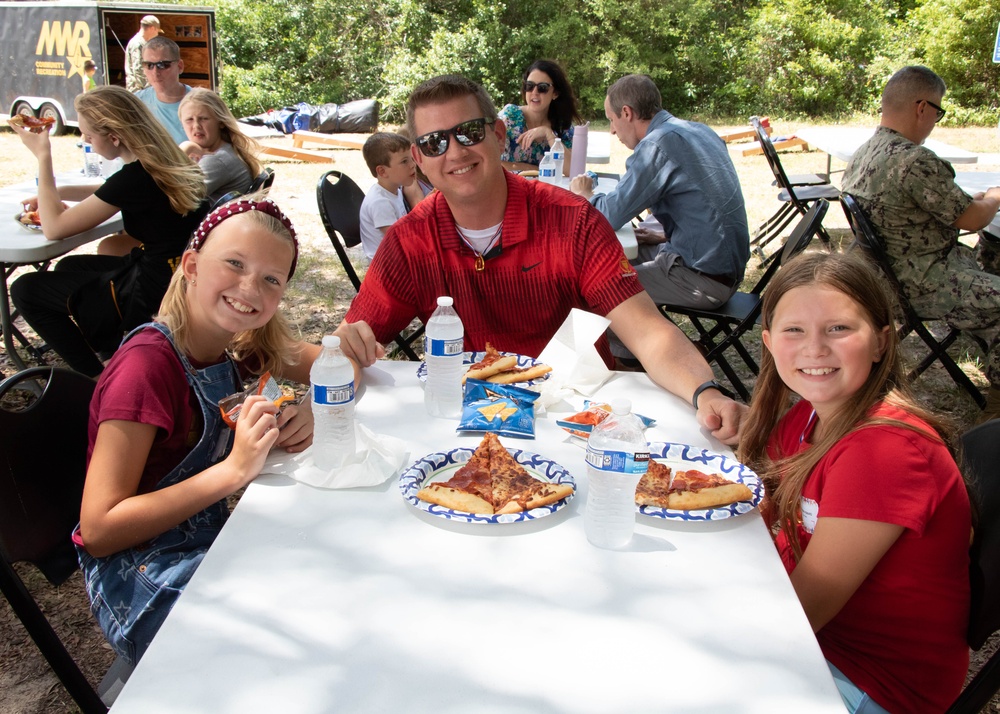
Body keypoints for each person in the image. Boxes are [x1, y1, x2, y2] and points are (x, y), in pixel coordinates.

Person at [335, 74, 744, 444]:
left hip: (572, 427)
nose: (455, 152)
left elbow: (648, 333)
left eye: (469, 132)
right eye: (434, 142)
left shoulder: (573, 221)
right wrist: (324, 394)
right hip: (466, 429)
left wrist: (705, 392)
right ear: (418, 157)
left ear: (497, 133)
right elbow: (349, 344)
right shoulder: (410, 241)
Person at [74, 197, 332, 665]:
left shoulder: (231, 349)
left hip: (206, 546)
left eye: (271, 279)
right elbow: (99, 530)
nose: (250, 288)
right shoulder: (146, 369)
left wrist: (306, 405)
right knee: (311, 632)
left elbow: (338, 367)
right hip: (140, 577)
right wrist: (233, 470)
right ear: (191, 265)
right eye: (234, 264)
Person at [739, 251, 971, 714]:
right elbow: (766, 530)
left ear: (882, 341)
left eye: (839, 328)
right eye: (794, 330)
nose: (815, 348)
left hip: (864, 682)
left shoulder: (881, 453)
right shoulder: (808, 416)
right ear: (768, 341)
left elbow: (803, 613)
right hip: (819, 648)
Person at [9, 85, 209, 377]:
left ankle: (94, 377)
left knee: (25, 289)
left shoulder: (134, 178)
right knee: (70, 265)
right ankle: (110, 348)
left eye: (88, 135)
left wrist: (43, 155)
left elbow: (54, 229)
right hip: (176, 273)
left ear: (114, 137)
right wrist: (59, 191)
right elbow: (110, 191)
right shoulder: (164, 162)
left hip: (152, 291)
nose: (83, 139)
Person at [842, 65, 1000, 417]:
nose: (934, 121)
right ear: (922, 107)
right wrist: (994, 196)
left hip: (886, 277)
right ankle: (997, 406)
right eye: (938, 112)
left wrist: (975, 202)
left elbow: (938, 207)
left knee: (993, 253)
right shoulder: (914, 160)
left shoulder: (866, 152)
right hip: (922, 283)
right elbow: (973, 219)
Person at [570, 74, 750, 311]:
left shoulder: (657, 145)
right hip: (720, 268)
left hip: (702, 280)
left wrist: (585, 195)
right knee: (604, 254)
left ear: (627, 113)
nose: (613, 130)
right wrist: (667, 236)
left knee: (593, 292)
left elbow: (607, 216)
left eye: (611, 120)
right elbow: (705, 205)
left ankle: (648, 347)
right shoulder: (699, 131)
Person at [178, 88, 261, 204]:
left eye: (203, 119)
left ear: (221, 122)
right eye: (189, 120)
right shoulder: (226, 150)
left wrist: (185, 147)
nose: (196, 125)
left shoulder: (217, 160)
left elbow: (177, 198)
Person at [499, 59, 580, 176]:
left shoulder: (562, 126)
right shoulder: (510, 117)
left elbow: (572, 171)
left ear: (555, 93)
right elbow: (491, 162)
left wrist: (549, 134)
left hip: (545, 192)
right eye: (529, 86)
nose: (535, 92)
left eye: (543, 87)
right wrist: (533, 169)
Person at [359, 132, 420, 259]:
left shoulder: (393, 190)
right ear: (382, 171)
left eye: (412, 159)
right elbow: (399, 241)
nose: (413, 165)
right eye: (404, 161)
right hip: (388, 268)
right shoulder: (380, 202)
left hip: (397, 258)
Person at [134, 36, 191, 144]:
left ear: (180, 66)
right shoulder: (136, 104)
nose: (155, 72)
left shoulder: (201, 104)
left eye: (163, 65)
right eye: (149, 65)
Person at [124, 15, 160, 93]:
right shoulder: (138, 44)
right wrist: (147, 89)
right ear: (152, 28)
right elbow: (138, 68)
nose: (157, 34)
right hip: (138, 90)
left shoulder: (143, 43)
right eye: (157, 31)